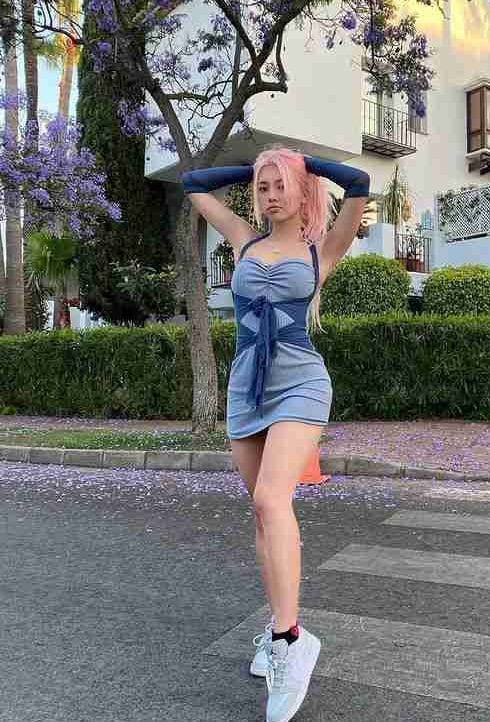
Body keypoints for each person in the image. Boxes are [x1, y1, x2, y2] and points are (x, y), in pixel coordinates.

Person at [181, 146, 369, 722]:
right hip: (246, 386)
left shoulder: (321, 249)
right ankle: (277, 625)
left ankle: (291, 642)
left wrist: (300, 164)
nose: (270, 195)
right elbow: (193, 183)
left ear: (301, 190)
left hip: (300, 381)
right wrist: (257, 166)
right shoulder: (243, 240)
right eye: (262, 188)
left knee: (271, 498)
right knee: (262, 515)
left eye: (279, 185)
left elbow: (359, 181)